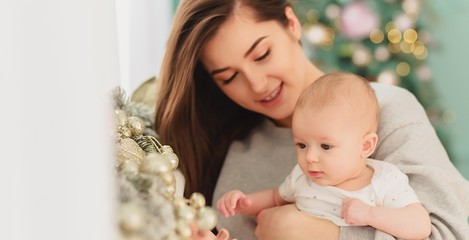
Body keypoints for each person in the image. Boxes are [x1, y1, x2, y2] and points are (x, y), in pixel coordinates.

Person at [154, 0, 469, 239]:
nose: (256, 85)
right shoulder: (232, 144)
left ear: (291, 23)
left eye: (262, 55)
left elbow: (451, 232)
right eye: (229, 77)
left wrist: (313, 231)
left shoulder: (385, 111)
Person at [216, 72, 431, 239]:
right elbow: (275, 198)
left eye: (326, 147)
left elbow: (420, 225)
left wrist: (369, 215)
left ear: (365, 146)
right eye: (301, 145)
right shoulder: (303, 177)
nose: (310, 157)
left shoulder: (383, 181)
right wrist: (245, 202)